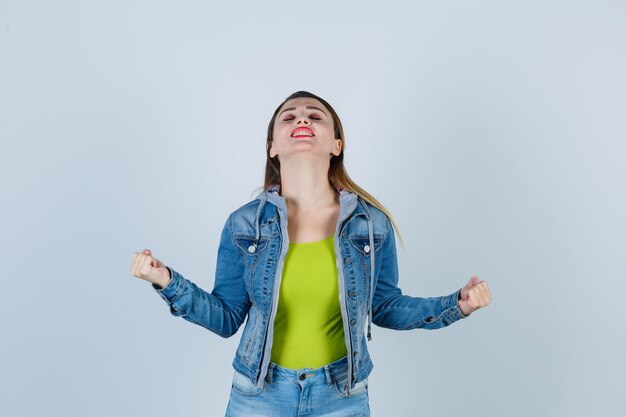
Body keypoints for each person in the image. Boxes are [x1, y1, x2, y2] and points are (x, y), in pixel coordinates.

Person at [129, 91, 491, 416]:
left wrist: (455, 306)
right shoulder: (244, 225)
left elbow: (383, 306)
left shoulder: (370, 224)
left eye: (315, 115)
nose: (302, 119)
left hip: (342, 396)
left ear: (336, 144)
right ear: (272, 147)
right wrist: (165, 280)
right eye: (289, 117)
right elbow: (225, 317)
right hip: (258, 396)